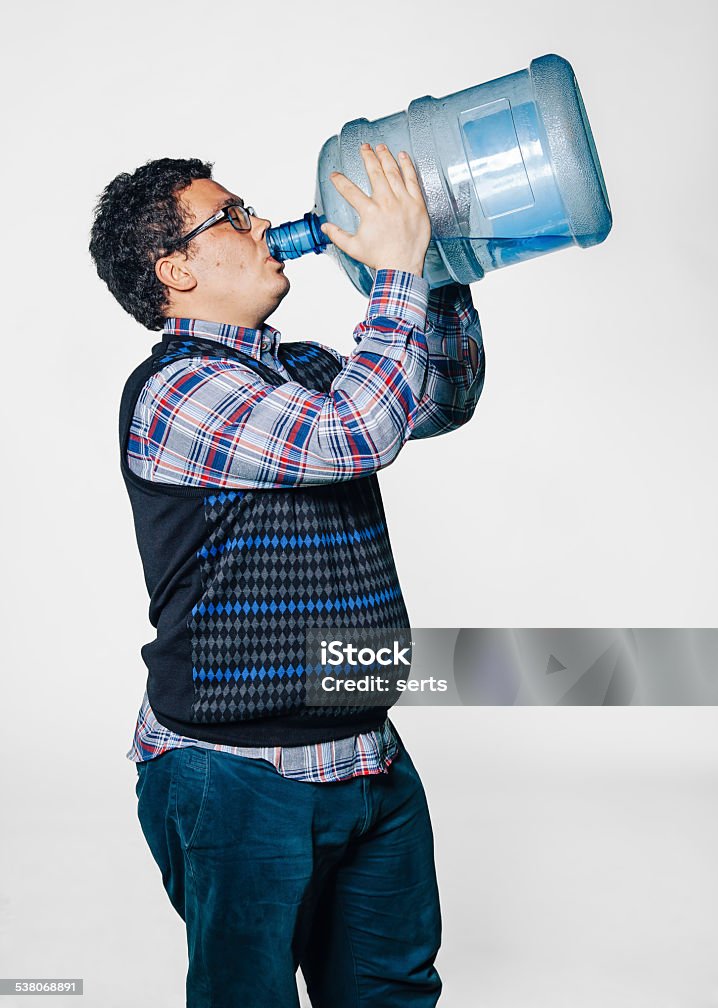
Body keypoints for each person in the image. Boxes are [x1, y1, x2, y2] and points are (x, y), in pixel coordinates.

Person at [89, 143, 485, 1008]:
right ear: (175, 270)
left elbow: (439, 396)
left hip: (367, 756)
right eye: (232, 215)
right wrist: (392, 278)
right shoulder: (177, 391)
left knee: (392, 991)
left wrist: (438, 266)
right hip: (236, 778)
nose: (262, 222)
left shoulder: (302, 368)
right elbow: (357, 435)